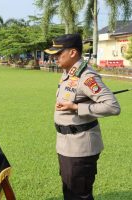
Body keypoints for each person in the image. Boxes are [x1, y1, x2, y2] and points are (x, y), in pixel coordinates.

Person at [45, 34, 121, 200]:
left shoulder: (86, 77)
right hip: (66, 144)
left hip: (80, 147)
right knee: (70, 192)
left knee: (78, 195)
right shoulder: (69, 73)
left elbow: (112, 106)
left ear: (73, 53)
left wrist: (77, 107)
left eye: (58, 54)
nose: (54, 57)